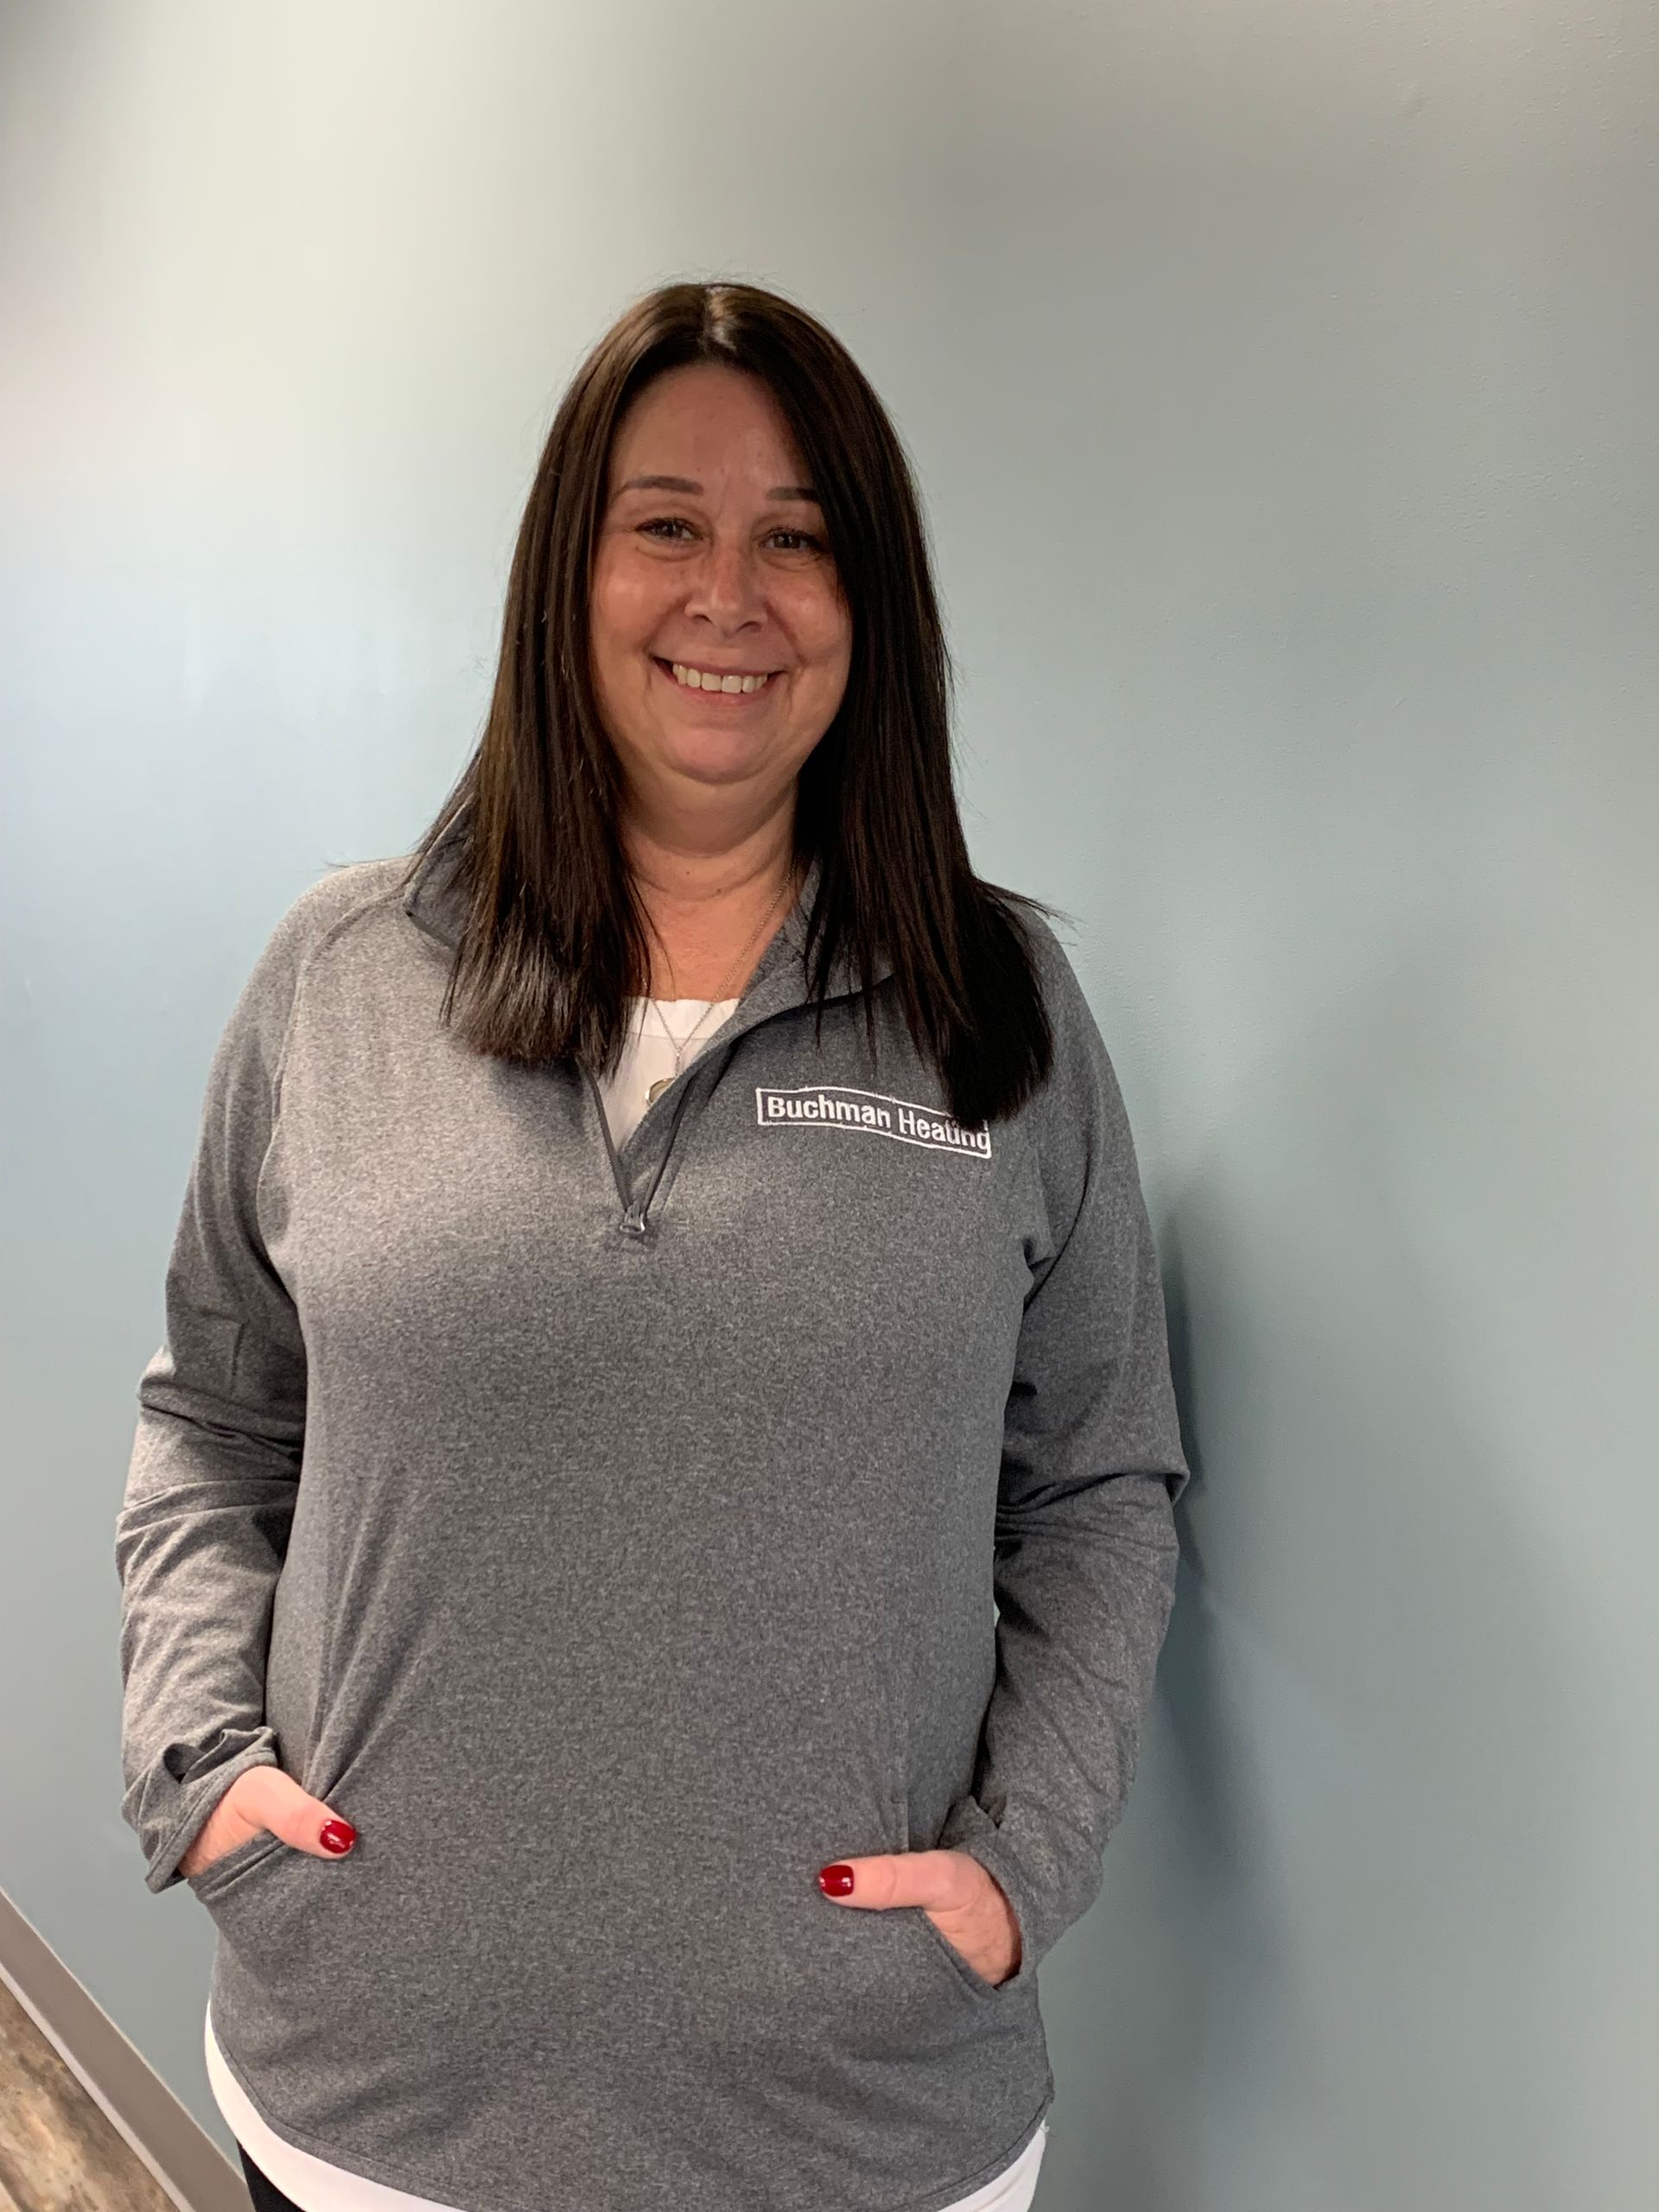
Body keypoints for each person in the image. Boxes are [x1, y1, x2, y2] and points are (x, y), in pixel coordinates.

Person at [116, 278, 1190, 2212]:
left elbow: (1102, 1482)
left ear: (869, 602)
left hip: (862, 2122)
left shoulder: (999, 1011)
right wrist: (201, 1771)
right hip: (374, 2101)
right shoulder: (340, 979)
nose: (730, 595)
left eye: (799, 538)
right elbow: (213, 1421)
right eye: (668, 524)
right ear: (570, 575)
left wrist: (1024, 1860)